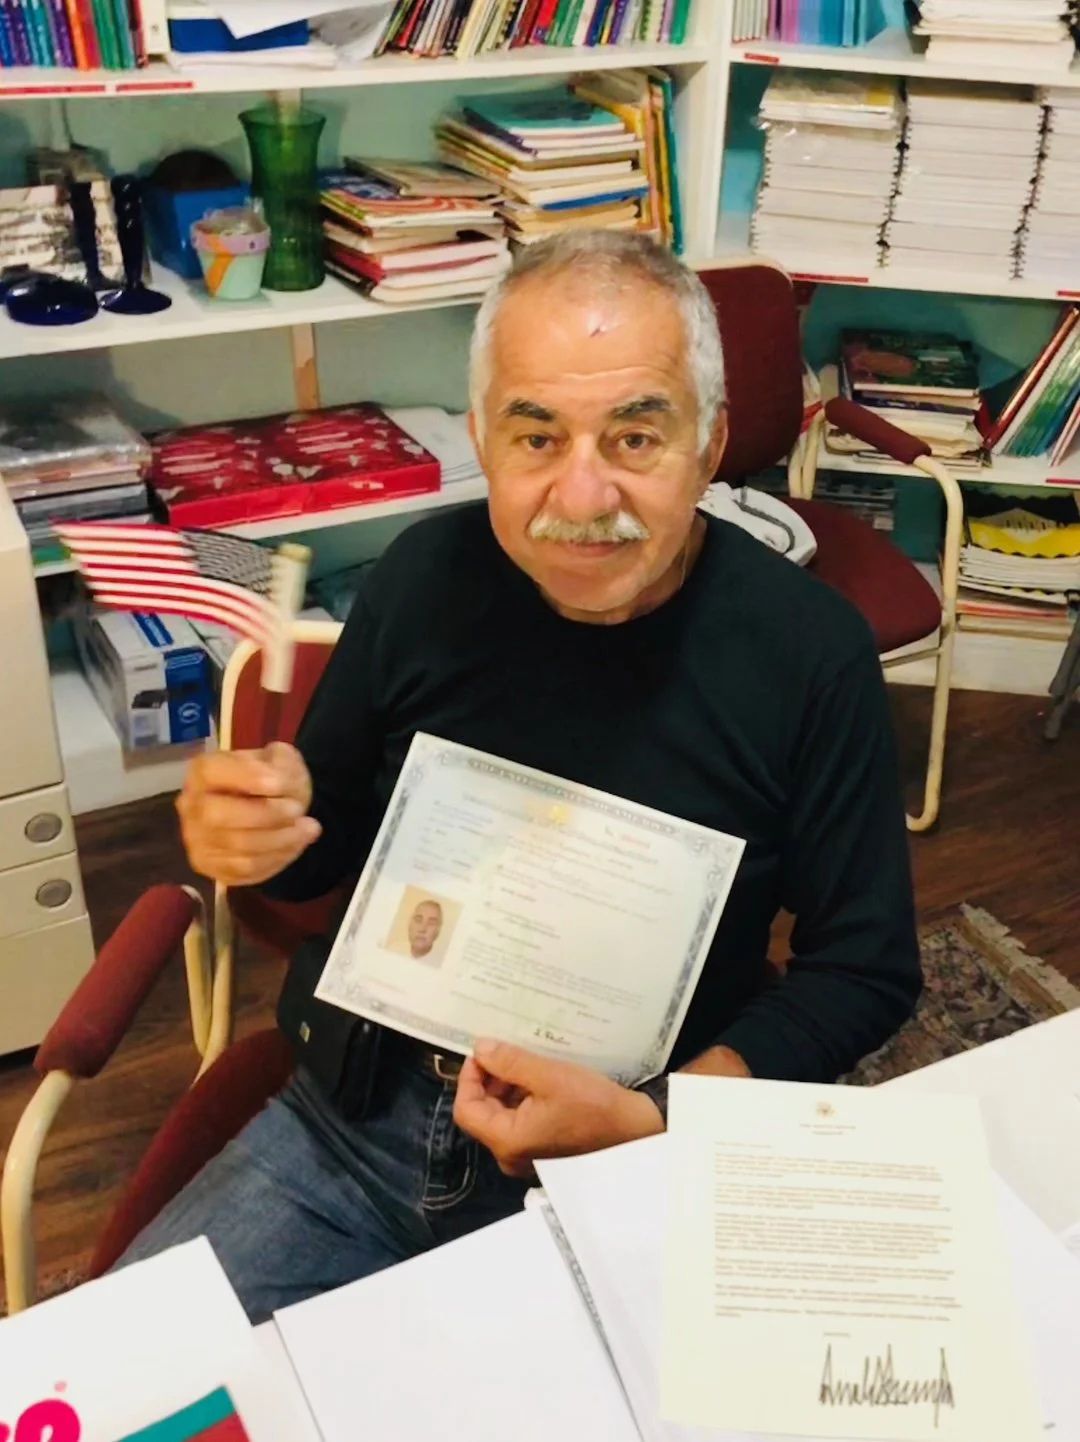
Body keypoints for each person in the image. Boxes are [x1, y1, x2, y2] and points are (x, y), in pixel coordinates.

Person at [121, 230, 922, 1322]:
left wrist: (656, 1117)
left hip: (634, 1153)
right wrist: (266, 832)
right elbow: (336, 830)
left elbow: (866, 969)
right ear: (485, 443)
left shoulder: (809, 653)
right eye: (536, 436)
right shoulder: (422, 579)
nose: (582, 498)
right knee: (125, 1384)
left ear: (711, 441)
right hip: (356, 1121)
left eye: (636, 435)